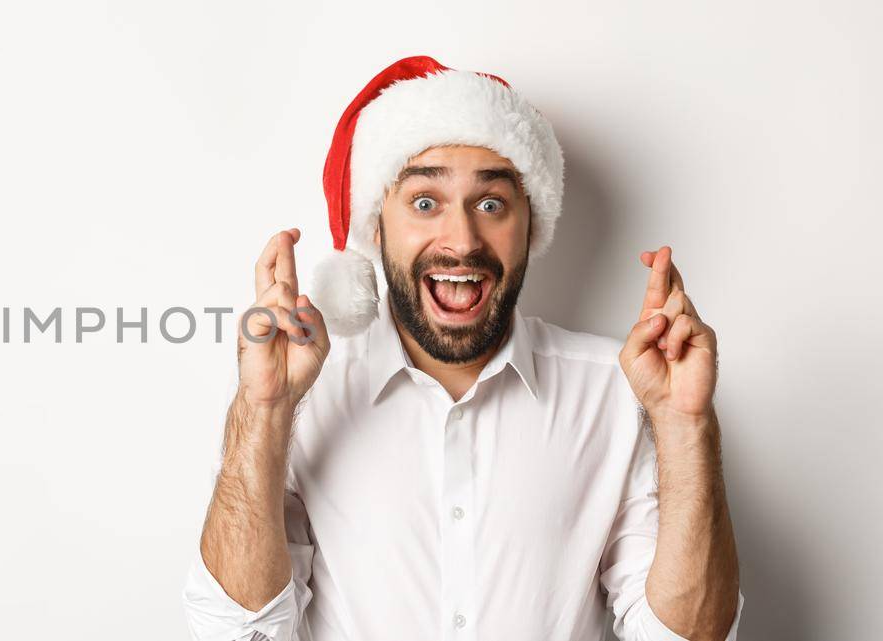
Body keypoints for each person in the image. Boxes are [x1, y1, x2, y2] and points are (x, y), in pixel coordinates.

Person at [182, 56, 743, 641]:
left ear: (532, 226)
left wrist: (686, 427)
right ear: (375, 226)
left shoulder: (620, 389)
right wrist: (265, 412)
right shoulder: (301, 390)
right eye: (426, 202)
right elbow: (231, 634)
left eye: (491, 204)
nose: (462, 240)